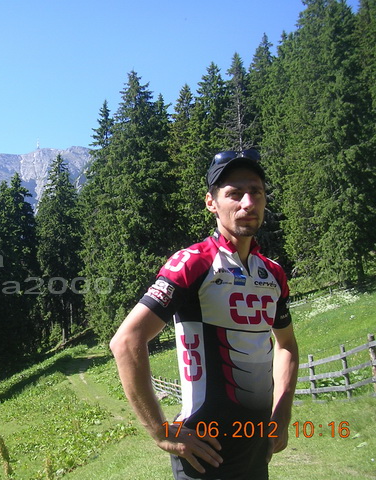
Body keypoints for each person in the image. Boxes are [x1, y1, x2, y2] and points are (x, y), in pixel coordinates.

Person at [110, 149, 299, 480]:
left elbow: (287, 346)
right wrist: (161, 431)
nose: (248, 203)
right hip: (203, 455)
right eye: (234, 194)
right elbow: (126, 342)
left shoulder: (273, 273)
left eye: (256, 192)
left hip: (257, 450)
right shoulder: (193, 263)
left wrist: (282, 414)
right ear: (211, 202)